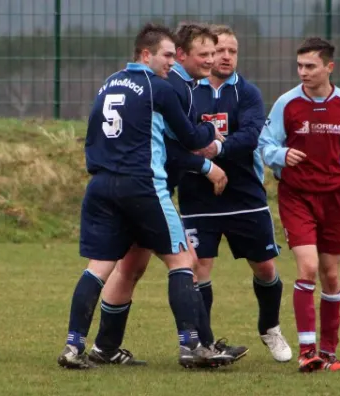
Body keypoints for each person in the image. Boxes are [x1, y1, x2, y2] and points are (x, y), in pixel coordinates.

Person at [57, 22, 226, 370]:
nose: (171, 63)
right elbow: (193, 138)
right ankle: (191, 346)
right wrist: (213, 129)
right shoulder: (157, 87)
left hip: (102, 186)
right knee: (181, 262)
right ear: (145, 54)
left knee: (99, 268)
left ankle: (75, 347)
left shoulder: (108, 83)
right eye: (166, 55)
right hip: (142, 185)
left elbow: (92, 135)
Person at [258, 37, 340, 373]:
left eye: (310, 66)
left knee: (331, 276)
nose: (303, 72)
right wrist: (281, 155)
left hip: (335, 198)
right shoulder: (287, 104)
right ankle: (308, 352)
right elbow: (265, 144)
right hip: (297, 196)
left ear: (329, 67)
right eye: (300, 66)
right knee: (307, 268)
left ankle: (329, 353)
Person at [180, 24, 292, 363]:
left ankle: (269, 327)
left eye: (232, 51)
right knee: (199, 266)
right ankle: (205, 343)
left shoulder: (249, 93)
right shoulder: (187, 91)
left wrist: (213, 150)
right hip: (197, 196)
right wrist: (198, 160)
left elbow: (250, 135)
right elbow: (178, 135)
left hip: (244, 194)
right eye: (219, 51)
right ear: (207, 54)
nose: (226, 57)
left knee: (265, 268)